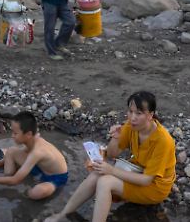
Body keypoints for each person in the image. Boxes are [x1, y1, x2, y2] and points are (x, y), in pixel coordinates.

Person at [45, 91, 176, 222]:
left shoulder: (163, 141)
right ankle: (63, 214)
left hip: (155, 187)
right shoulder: (131, 125)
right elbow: (113, 154)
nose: (132, 117)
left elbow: (146, 180)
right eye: (130, 111)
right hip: (137, 170)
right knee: (96, 174)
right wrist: (116, 138)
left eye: (139, 113)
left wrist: (111, 171)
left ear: (150, 115)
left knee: (105, 182)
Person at [0, 111, 69, 200]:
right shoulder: (32, 139)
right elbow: (21, 154)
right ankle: (10, 177)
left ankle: (26, 192)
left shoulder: (37, 151)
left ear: (28, 134)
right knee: (11, 151)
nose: (12, 136)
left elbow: (15, 181)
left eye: (15, 133)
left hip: (56, 177)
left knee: (35, 193)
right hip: (39, 167)